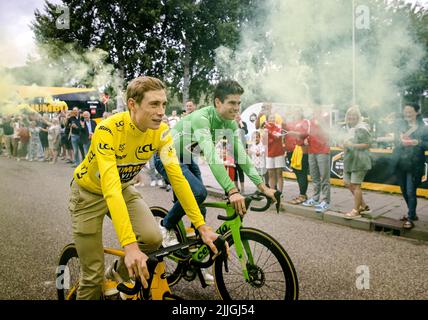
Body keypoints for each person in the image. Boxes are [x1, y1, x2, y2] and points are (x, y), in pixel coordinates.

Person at [68, 76, 222, 299]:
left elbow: (177, 178)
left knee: (152, 239)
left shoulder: (160, 132)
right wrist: (129, 246)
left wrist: (201, 226)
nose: (161, 111)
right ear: (133, 104)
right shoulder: (108, 130)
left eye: (163, 104)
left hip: (122, 188)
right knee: (92, 276)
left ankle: (117, 272)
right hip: (89, 194)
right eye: (154, 104)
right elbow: (109, 189)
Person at [154, 79, 277, 239]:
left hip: (187, 157)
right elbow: (212, 156)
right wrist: (232, 190)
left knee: (200, 207)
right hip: (166, 157)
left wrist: (263, 187)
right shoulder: (202, 118)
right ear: (218, 102)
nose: (236, 108)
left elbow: (241, 156)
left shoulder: (230, 124)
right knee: (198, 194)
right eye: (232, 102)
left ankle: (194, 240)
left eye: (238, 103)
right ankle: (164, 227)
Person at [393, 103, 428, 229]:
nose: (407, 114)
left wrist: (417, 142)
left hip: (414, 164)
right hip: (400, 163)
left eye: (410, 111)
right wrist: (399, 141)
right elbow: (395, 141)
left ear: (417, 112)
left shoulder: (423, 128)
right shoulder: (400, 126)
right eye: (405, 111)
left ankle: (410, 217)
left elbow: (427, 144)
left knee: (410, 191)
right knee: (404, 191)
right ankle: (412, 214)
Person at [341, 107, 372, 219]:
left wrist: (351, 145)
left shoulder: (361, 128)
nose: (351, 117)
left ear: (358, 117)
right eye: (349, 115)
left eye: (354, 115)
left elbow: (368, 144)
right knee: (347, 183)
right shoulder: (351, 128)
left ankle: (356, 211)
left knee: (355, 185)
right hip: (350, 161)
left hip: (359, 161)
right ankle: (363, 206)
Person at [302, 109, 332, 213]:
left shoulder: (325, 114)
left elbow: (324, 130)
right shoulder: (311, 117)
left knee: (324, 177)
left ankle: (325, 201)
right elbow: (310, 133)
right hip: (312, 150)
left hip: (322, 150)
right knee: (314, 176)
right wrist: (307, 139)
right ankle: (315, 198)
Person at [285, 108, 310, 205]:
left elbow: (306, 134)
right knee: (297, 172)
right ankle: (302, 194)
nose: (296, 114)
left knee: (301, 172)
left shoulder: (305, 122)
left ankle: (302, 195)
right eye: (295, 112)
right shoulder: (295, 122)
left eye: (298, 112)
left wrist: (294, 133)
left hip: (303, 150)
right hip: (296, 149)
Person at [264, 114, 286, 194]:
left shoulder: (278, 127)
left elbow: (276, 137)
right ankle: (272, 192)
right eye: (270, 118)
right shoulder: (265, 129)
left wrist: (269, 132)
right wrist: (265, 133)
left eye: (273, 118)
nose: (272, 119)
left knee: (279, 173)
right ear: (267, 120)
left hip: (279, 153)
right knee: (271, 174)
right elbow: (264, 142)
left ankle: (280, 192)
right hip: (269, 154)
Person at [234, 113, 248, 193]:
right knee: (234, 169)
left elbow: (245, 131)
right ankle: (236, 187)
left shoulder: (243, 124)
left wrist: (240, 123)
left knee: (240, 169)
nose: (237, 117)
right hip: (233, 149)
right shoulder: (231, 124)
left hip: (241, 149)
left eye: (239, 116)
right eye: (236, 116)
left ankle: (242, 188)